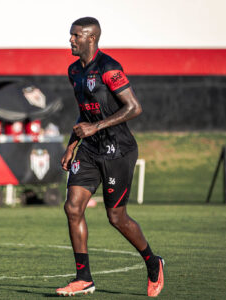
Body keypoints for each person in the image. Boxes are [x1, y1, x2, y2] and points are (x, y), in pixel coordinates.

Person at [57, 17, 164, 297]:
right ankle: (84, 278)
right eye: (71, 35)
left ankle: (153, 263)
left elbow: (134, 107)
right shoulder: (73, 71)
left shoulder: (110, 68)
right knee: (72, 208)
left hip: (119, 150)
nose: (71, 40)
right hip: (90, 150)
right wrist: (72, 145)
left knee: (116, 217)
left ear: (91, 38)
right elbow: (85, 112)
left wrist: (97, 126)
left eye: (76, 35)